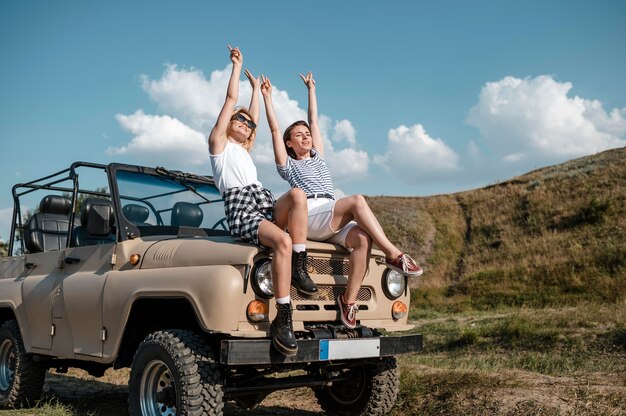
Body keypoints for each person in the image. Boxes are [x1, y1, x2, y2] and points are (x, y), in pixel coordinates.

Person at [261, 71, 423, 330]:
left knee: (362, 238)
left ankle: (348, 301)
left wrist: (311, 90)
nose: (306, 137)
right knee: (357, 200)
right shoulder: (288, 166)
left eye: (307, 134)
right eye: (299, 135)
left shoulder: (319, 157)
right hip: (310, 214)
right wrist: (267, 98)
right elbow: (274, 128)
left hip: (329, 213)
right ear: (289, 144)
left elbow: (314, 119)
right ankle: (394, 254)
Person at [208, 46, 318, 357]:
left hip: (262, 200)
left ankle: (299, 264)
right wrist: (237, 67)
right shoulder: (219, 145)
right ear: (229, 123)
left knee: (297, 194)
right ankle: (283, 317)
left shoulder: (244, 149)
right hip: (242, 209)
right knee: (281, 240)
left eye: (248, 125)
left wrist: (257, 90)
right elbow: (232, 102)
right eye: (239, 121)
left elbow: (254, 117)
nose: (245, 124)